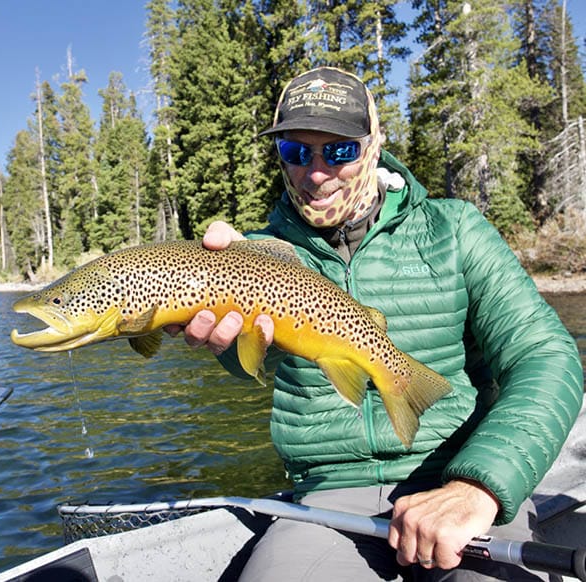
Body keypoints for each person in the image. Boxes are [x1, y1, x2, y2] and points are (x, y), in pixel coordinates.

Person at [165, 67, 584, 581]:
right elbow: (246, 359)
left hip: (459, 477)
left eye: (339, 150)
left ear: (375, 142)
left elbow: (545, 356)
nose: (316, 173)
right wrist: (212, 321)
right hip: (327, 504)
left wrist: (478, 488)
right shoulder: (258, 255)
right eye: (296, 152)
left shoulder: (456, 229)